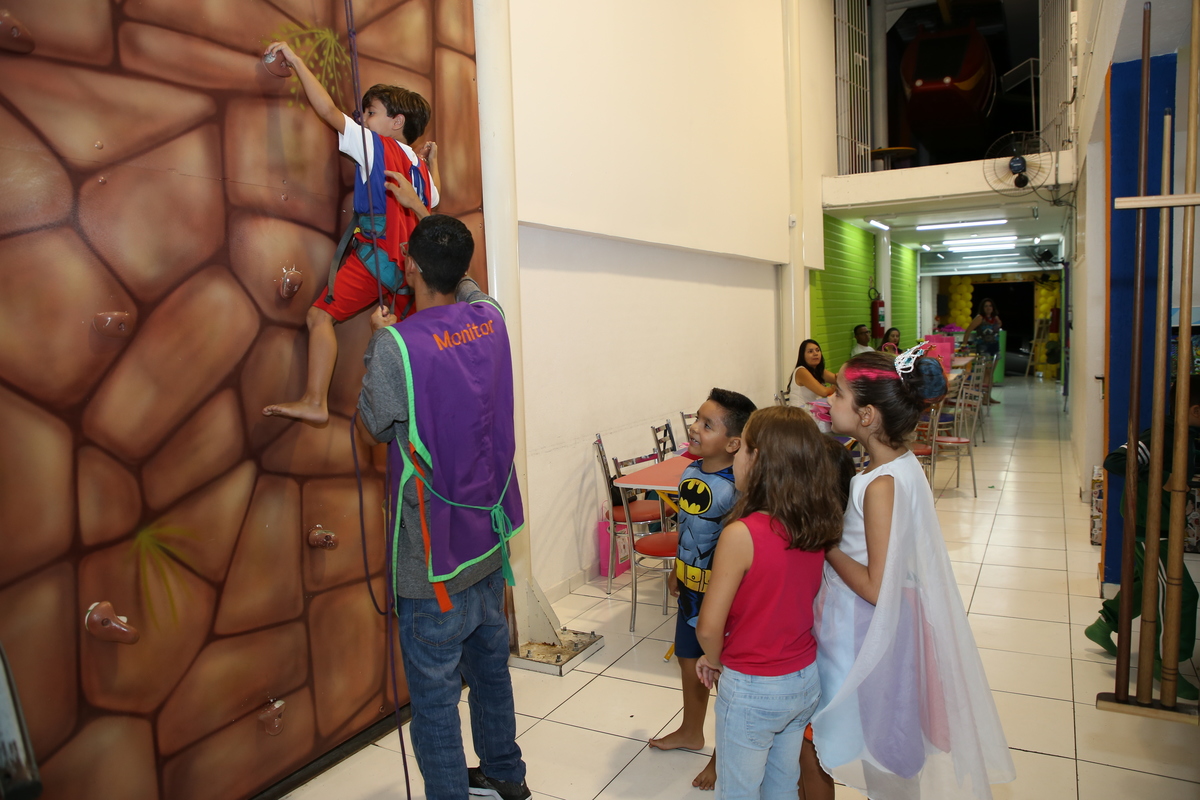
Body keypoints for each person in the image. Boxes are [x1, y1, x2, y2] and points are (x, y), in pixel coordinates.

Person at [354, 215, 530, 800]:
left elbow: (373, 423)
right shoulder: (491, 317)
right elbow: (468, 286)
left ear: (408, 265)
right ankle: (505, 775)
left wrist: (375, 340)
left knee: (433, 701)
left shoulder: (397, 346)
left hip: (432, 565)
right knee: (490, 673)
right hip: (488, 545)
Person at [806, 346, 1015, 800]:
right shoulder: (901, 465)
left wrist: (826, 543)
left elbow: (876, 587)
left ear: (866, 415)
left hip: (865, 631)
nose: (828, 400)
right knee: (883, 733)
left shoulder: (879, 485)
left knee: (877, 741)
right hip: (888, 621)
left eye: (838, 394)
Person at [262, 39, 440, 425]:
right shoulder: (421, 171)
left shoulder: (375, 145)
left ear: (396, 122)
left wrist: (296, 61)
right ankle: (414, 411)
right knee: (406, 344)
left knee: (319, 317)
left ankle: (315, 400)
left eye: (371, 112)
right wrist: (431, 163)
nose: (363, 118)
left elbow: (327, 110)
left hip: (377, 258)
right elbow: (435, 200)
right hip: (410, 275)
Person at [692, 406, 846, 799]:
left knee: (738, 790)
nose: (734, 458)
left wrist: (714, 659)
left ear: (756, 459)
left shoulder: (741, 534)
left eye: (741, 448)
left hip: (753, 686)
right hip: (803, 680)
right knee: (781, 786)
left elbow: (708, 627)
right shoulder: (814, 523)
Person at [648, 388, 757, 791]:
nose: (694, 428)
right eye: (697, 418)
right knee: (688, 659)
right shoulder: (690, 472)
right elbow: (687, 528)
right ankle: (691, 731)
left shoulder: (740, 486)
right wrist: (678, 570)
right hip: (690, 588)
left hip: (723, 597)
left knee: (723, 673)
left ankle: (722, 754)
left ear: (733, 443)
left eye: (707, 425)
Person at [1083, 374, 1199, 700]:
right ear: (1195, 411)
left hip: (1161, 523)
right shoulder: (1161, 436)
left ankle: (1105, 624)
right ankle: (1166, 662)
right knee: (1180, 594)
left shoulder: (1188, 436)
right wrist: (1165, 478)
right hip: (1151, 527)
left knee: (1146, 583)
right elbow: (1115, 460)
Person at [787, 339, 837, 432]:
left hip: (814, 413)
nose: (815, 354)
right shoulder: (801, 371)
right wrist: (834, 388)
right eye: (810, 351)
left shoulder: (818, 370)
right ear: (803, 356)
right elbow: (823, 392)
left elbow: (838, 379)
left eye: (817, 350)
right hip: (800, 416)